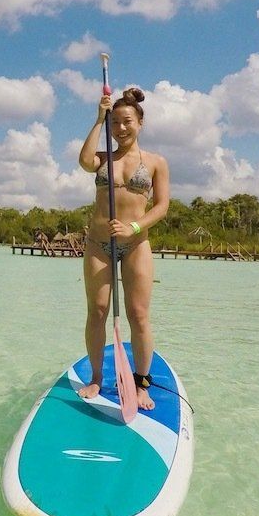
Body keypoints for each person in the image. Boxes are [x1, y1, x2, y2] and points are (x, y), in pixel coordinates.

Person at [78, 86, 171, 411]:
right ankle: (95, 377)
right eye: (114, 122)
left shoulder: (156, 162)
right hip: (98, 245)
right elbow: (84, 160)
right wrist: (97, 119)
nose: (120, 128)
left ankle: (141, 383)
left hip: (136, 244)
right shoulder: (103, 156)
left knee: (139, 315)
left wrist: (134, 227)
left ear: (140, 123)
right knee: (98, 312)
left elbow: (161, 206)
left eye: (126, 121)